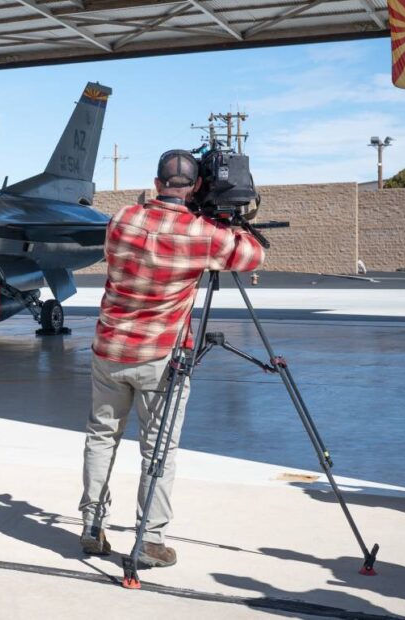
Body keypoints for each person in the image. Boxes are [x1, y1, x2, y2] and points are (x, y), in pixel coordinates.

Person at [79, 150, 265, 566]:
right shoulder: (201, 234)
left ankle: (92, 525)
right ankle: (151, 538)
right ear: (196, 186)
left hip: (109, 350)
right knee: (158, 449)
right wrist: (231, 222)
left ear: (157, 182)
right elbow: (252, 256)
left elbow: (125, 245)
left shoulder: (122, 220)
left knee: (101, 436)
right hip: (160, 358)